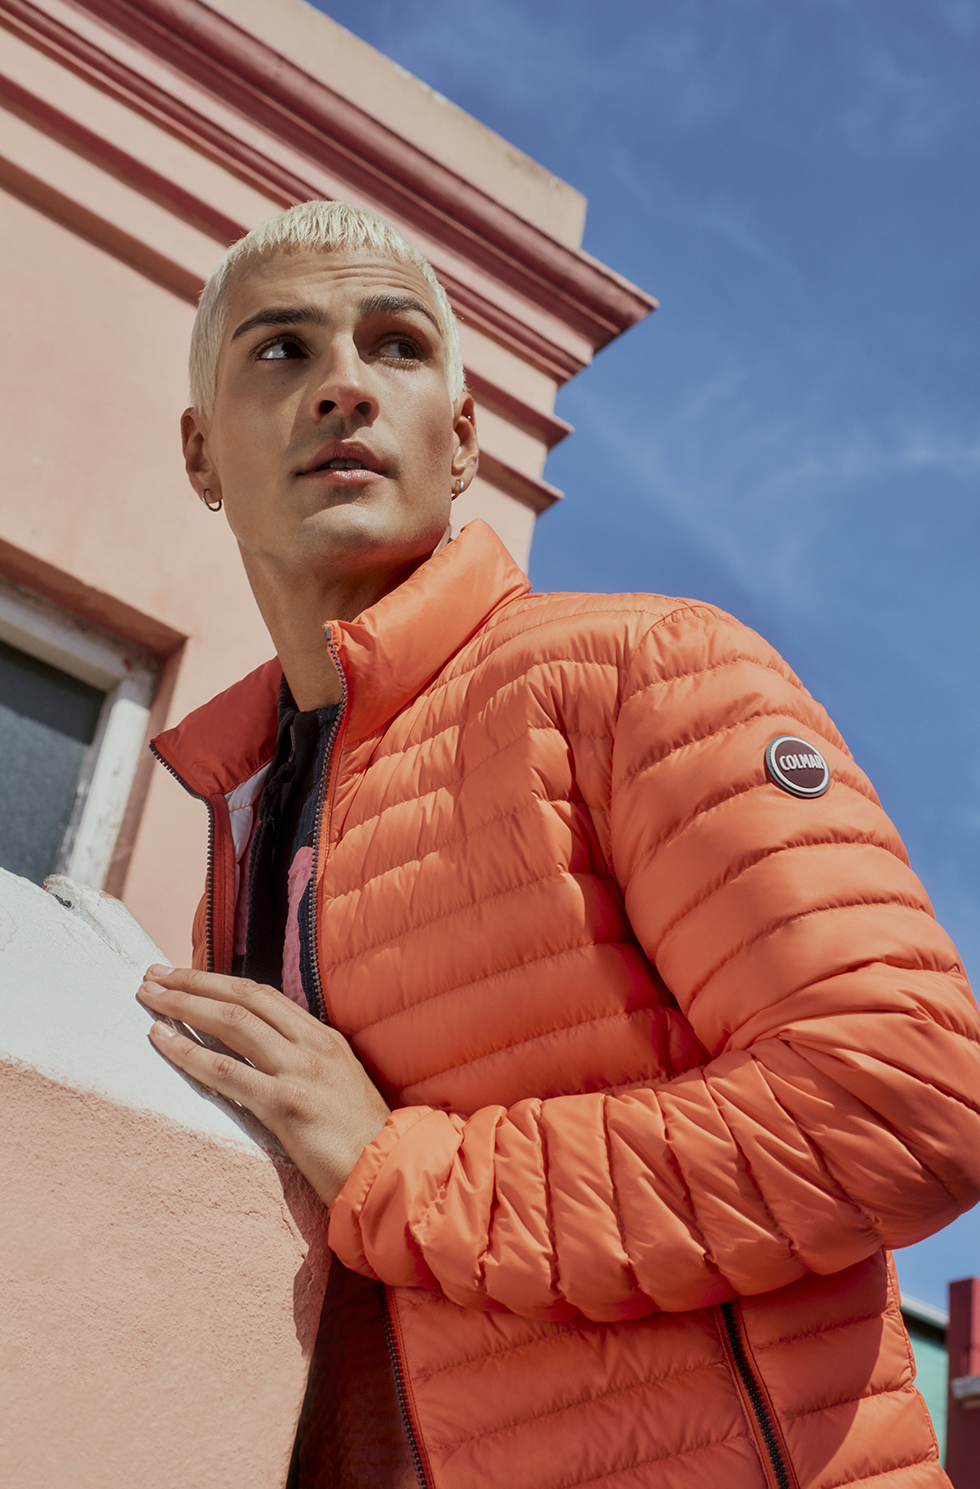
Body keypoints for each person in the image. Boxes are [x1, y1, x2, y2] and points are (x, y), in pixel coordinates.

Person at [138, 200, 980, 1489]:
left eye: (397, 345)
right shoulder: (241, 827)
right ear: (202, 453)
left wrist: (404, 1176)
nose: (343, 385)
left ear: (465, 438)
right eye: (281, 349)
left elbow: (903, 1097)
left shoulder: (643, 672)